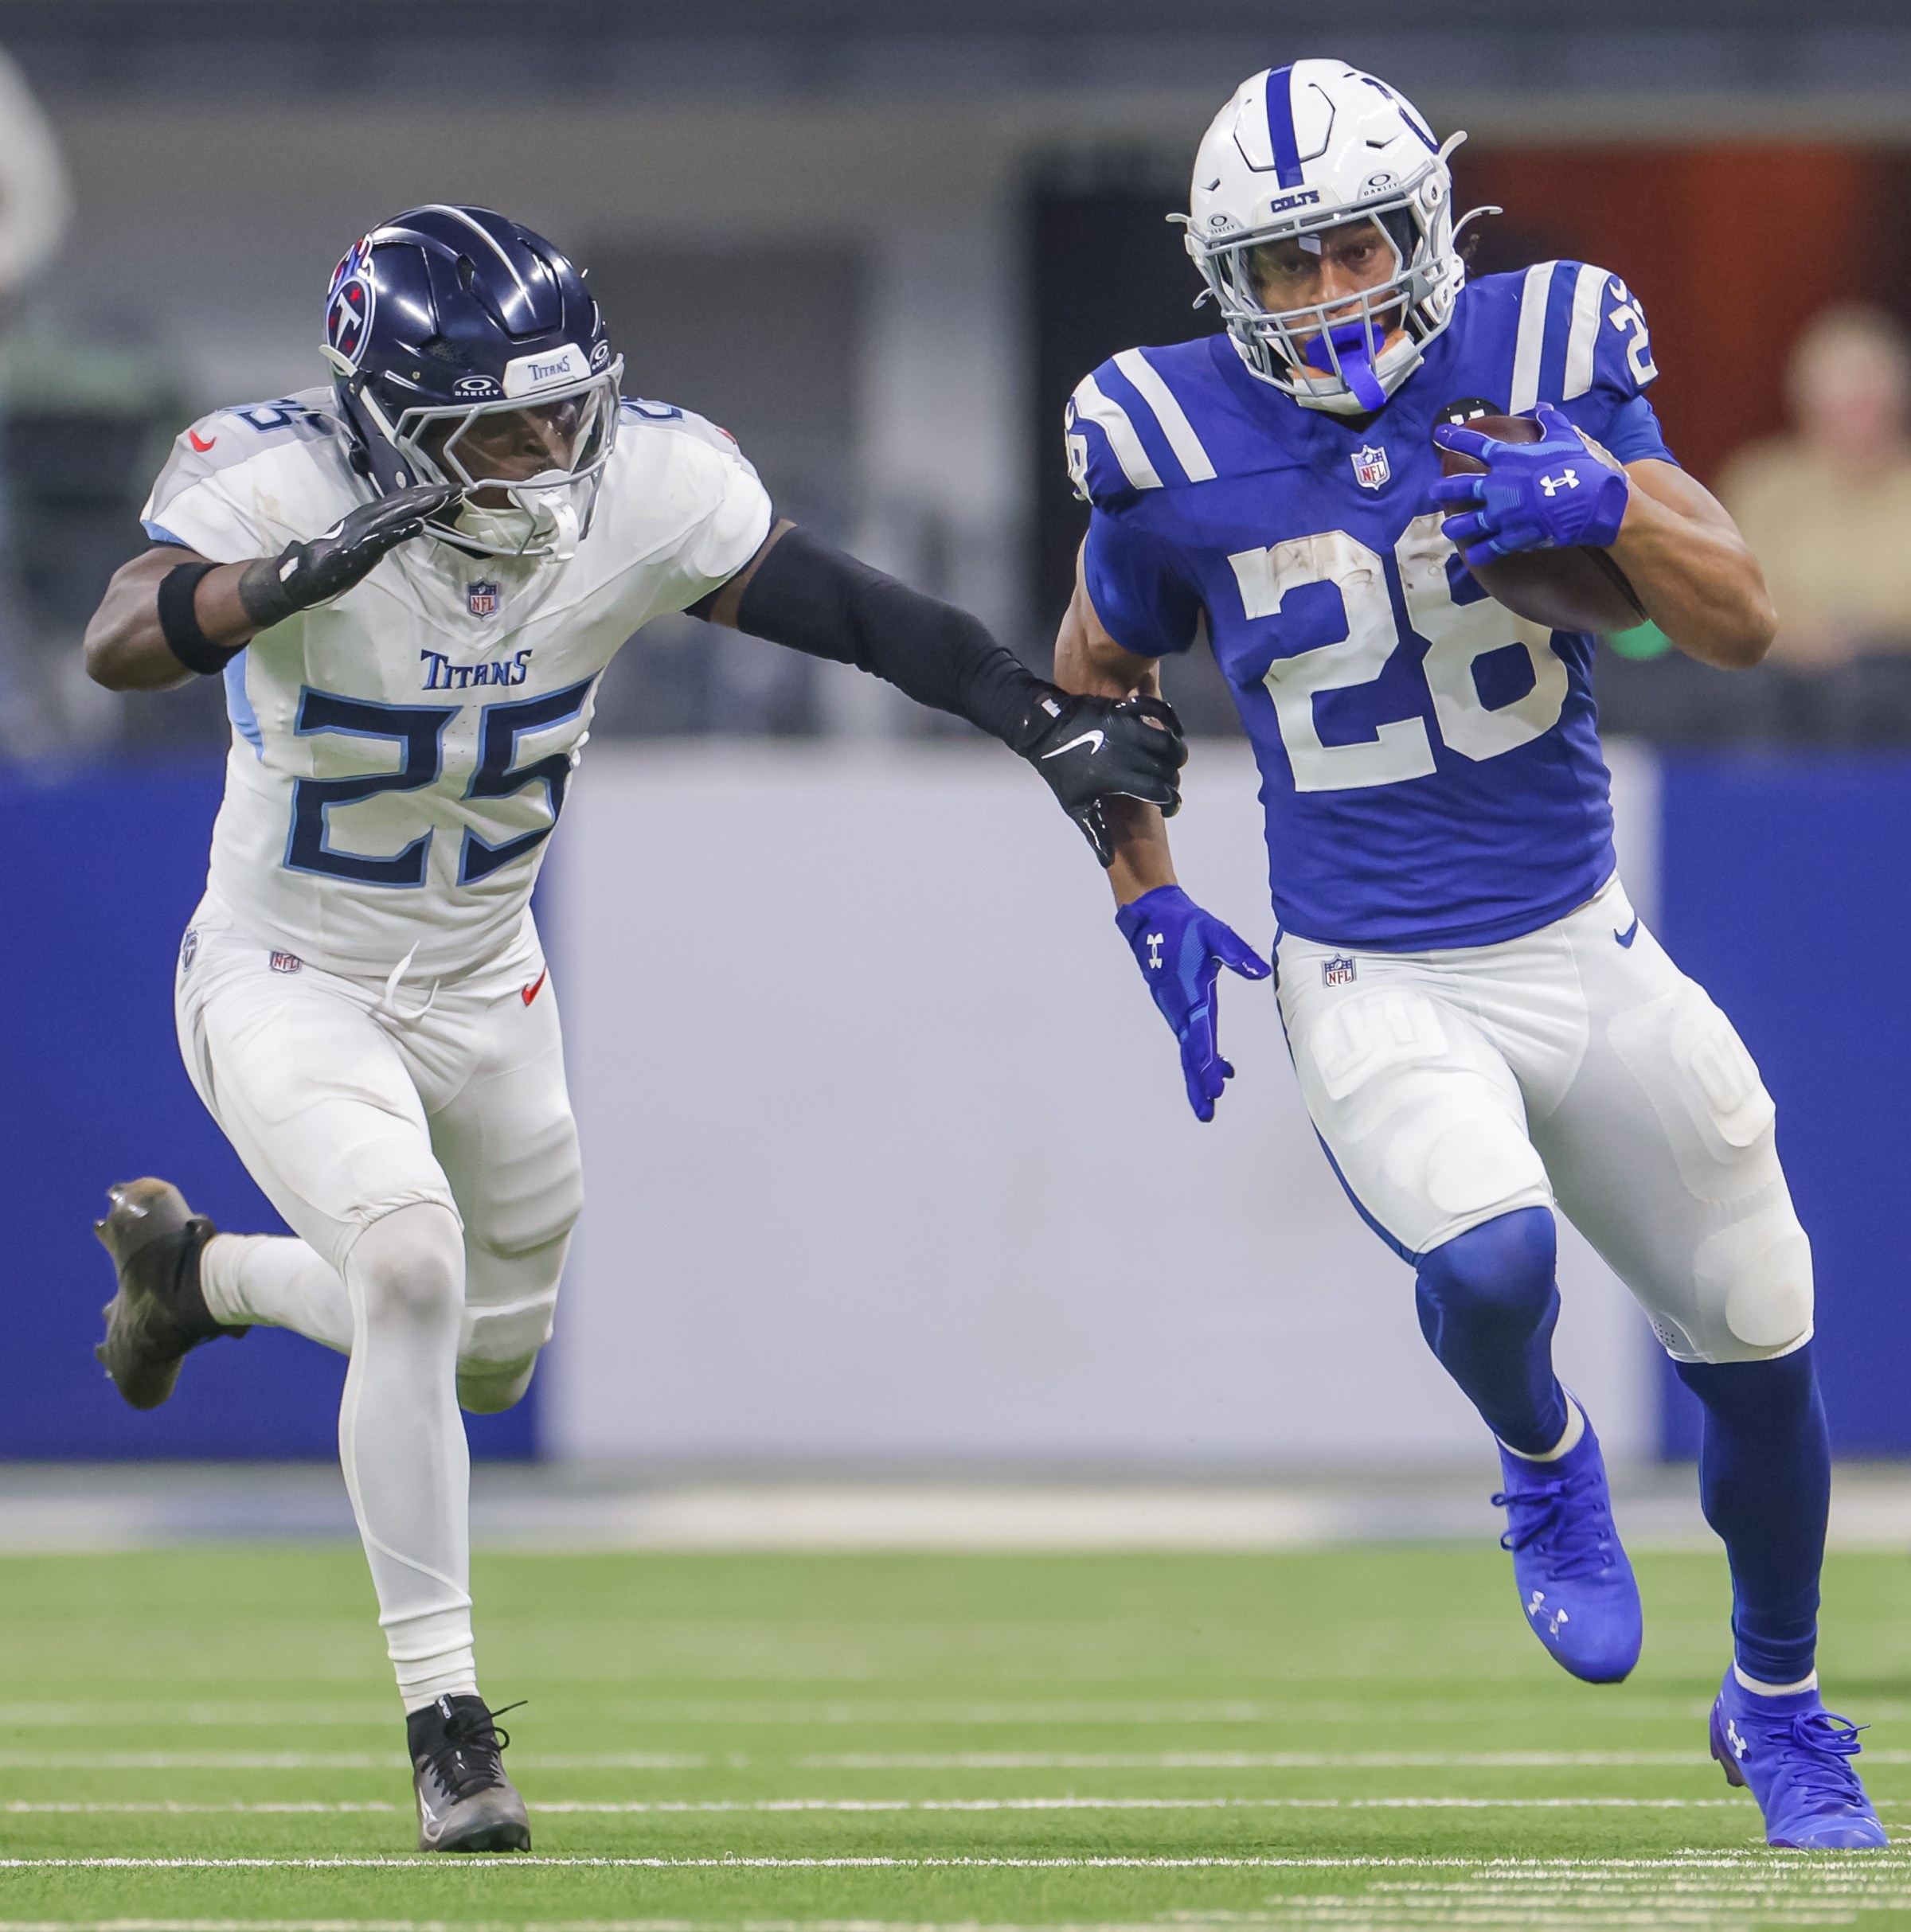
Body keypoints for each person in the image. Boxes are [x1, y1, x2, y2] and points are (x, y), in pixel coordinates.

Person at [80, 205, 1186, 1855]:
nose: (551, 455)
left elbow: (855, 613)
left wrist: (1039, 722)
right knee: (406, 1265)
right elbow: (120, 636)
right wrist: (274, 583)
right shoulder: (280, 480)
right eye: (501, 430)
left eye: (565, 412)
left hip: (487, 981)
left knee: (485, 1354)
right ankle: (450, 1730)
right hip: (287, 970)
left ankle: (203, 1280)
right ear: (387, 426)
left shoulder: (643, 486)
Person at [1054, 62, 1882, 1850]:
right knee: (1496, 1257)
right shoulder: (1163, 437)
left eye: (1358, 245)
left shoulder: (1547, 350)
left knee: (1762, 1323)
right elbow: (1097, 676)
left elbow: (1738, 624)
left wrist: (1613, 502)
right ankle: (1544, 1455)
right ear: (1223, 282)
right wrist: (1144, 887)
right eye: (1285, 264)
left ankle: (1780, 1704)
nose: (1330, 292)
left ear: (1428, 228)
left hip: (1580, 937)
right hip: (1372, 968)